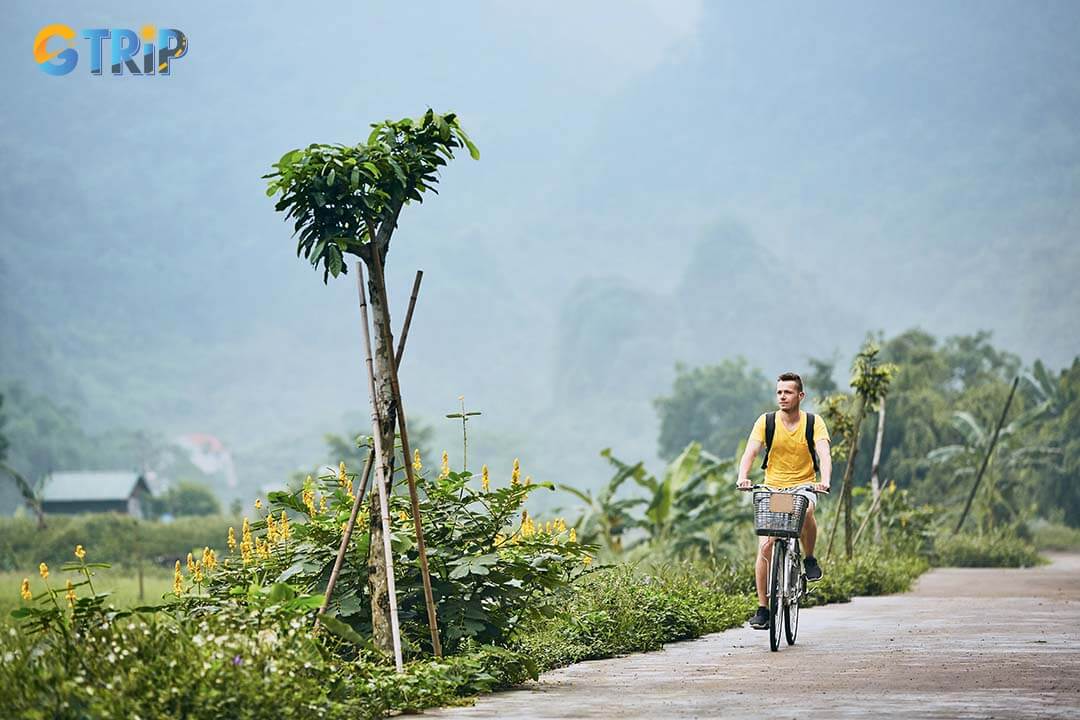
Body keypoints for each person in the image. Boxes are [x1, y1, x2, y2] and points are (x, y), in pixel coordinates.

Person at [736, 372, 832, 630]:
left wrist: (825, 479)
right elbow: (751, 451)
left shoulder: (813, 422)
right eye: (779, 392)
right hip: (773, 489)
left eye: (787, 392)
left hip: (804, 486)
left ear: (800, 396)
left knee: (807, 512)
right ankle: (763, 608)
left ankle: (809, 558)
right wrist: (743, 476)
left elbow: (824, 452)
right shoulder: (766, 422)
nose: (782, 396)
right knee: (766, 546)